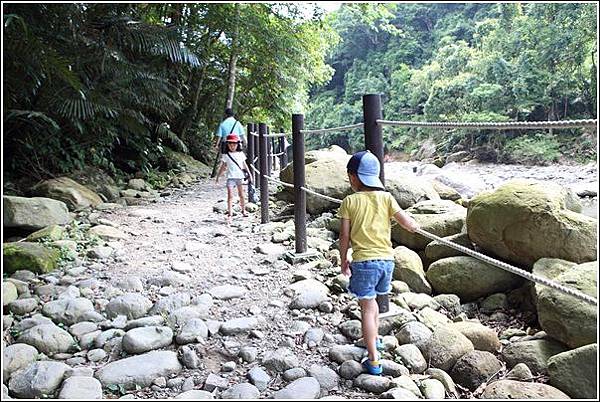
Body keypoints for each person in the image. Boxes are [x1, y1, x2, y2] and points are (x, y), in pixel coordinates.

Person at [338, 150, 419, 375]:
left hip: (364, 263)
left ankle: (373, 359)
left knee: (366, 307)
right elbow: (406, 223)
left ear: (353, 177)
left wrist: (343, 258)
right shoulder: (387, 198)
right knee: (373, 303)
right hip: (387, 263)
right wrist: (415, 226)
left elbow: (344, 236)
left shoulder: (349, 202)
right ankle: (372, 338)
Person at [215, 134, 252, 224]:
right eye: (230, 144)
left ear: (237, 145)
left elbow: (244, 165)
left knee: (241, 195)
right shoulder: (226, 155)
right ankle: (230, 213)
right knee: (230, 196)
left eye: (234, 144)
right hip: (230, 177)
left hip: (239, 176)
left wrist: (250, 174)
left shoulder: (241, 154)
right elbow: (223, 167)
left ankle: (243, 210)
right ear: (227, 145)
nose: (232, 146)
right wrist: (218, 176)